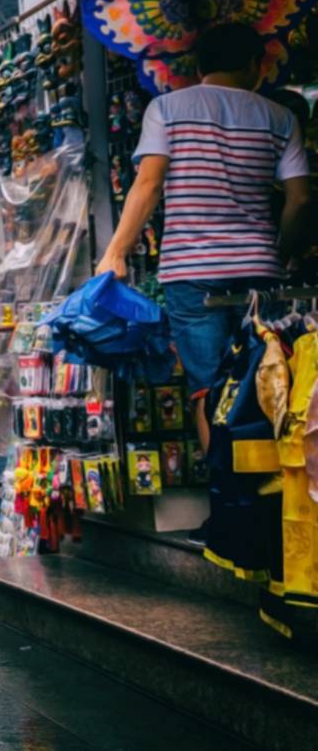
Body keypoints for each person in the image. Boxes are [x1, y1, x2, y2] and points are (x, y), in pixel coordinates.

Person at [96, 22, 311, 450]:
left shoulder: (166, 109)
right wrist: (281, 255)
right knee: (271, 380)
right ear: (254, 64)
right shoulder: (280, 117)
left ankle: (227, 497)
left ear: (198, 66)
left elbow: (149, 183)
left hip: (191, 274)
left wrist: (116, 252)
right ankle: (271, 496)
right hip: (259, 275)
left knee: (209, 390)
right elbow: (300, 200)